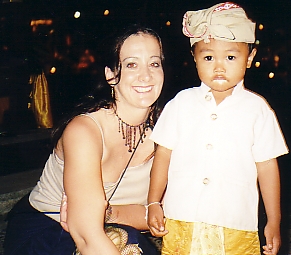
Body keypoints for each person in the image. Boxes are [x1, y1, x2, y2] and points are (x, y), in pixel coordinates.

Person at [4, 24, 165, 255]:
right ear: (111, 74)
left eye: (154, 63)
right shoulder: (84, 131)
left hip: (108, 227)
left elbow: (170, 215)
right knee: (127, 242)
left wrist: (109, 213)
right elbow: (88, 237)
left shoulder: (170, 128)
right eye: (131, 64)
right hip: (46, 232)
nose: (146, 75)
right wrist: (137, 215)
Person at [146, 2, 288, 255]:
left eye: (230, 57)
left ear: (250, 58)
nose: (219, 66)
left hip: (236, 224)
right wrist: (153, 201)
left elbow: (267, 166)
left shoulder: (258, 110)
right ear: (195, 58)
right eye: (208, 57)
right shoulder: (181, 103)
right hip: (181, 219)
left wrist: (274, 220)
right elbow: (163, 154)